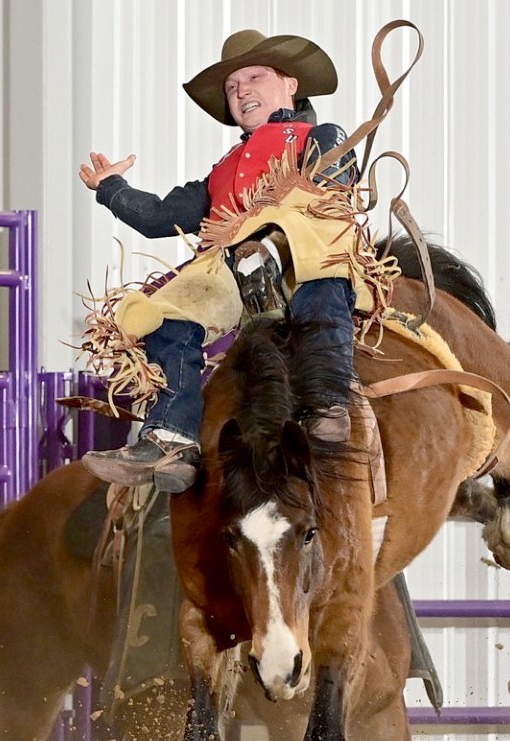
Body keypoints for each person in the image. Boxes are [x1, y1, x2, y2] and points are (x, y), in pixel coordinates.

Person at [79, 30, 361, 492]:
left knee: (321, 267)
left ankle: (327, 398)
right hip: (234, 269)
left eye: (254, 77)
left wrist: (277, 224)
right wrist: (112, 189)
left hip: (301, 250)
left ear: (289, 84)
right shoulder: (224, 170)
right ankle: (171, 435)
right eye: (232, 87)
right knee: (169, 314)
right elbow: (162, 216)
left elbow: (334, 187)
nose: (241, 90)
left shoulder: (320, 137)